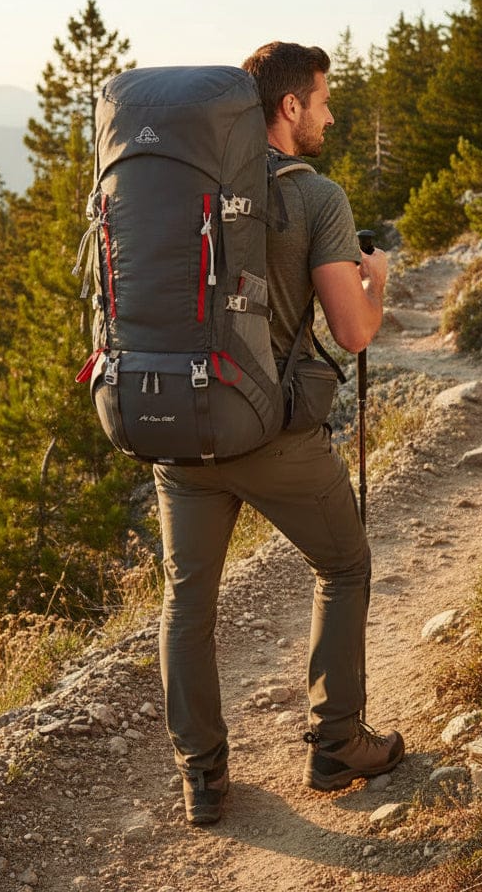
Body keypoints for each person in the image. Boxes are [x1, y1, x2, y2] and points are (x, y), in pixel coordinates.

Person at [154, 41, 404, 825]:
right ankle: (337, 743)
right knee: (344, 563)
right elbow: (353, 332)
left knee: (187, 601)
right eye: (323, 100)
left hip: (180, 432)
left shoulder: (183, 189)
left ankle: (201, 775)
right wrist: (379, 283)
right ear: (288, 107)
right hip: (270, 435)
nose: (329, 113)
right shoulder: (315, 196)